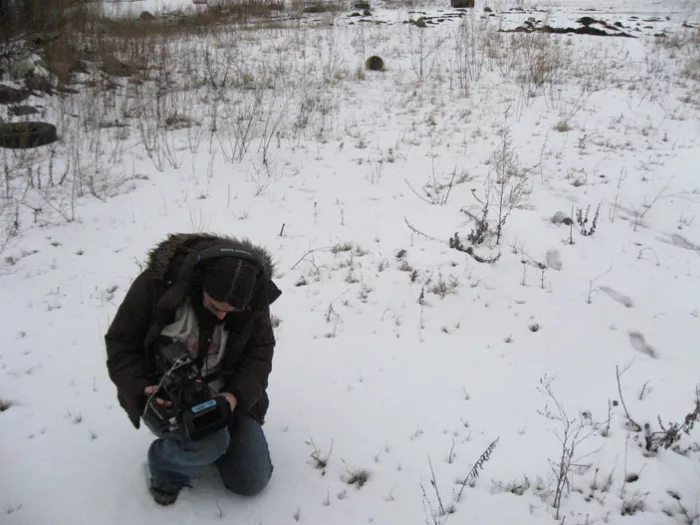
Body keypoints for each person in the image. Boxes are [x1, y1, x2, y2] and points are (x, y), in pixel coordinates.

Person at [104, 233, 282, 506]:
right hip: (169, 395)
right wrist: (142, 391)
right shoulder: (157, 286)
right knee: (211, 444)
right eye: (215, 306)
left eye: (232, 311)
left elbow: (259, 356)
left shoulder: (252, 296)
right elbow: (121, 345)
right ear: (198, 283)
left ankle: (204, 447)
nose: (223, 315)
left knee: (250, 480)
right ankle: (165, 466)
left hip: (226, 394)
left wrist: (233, 399)